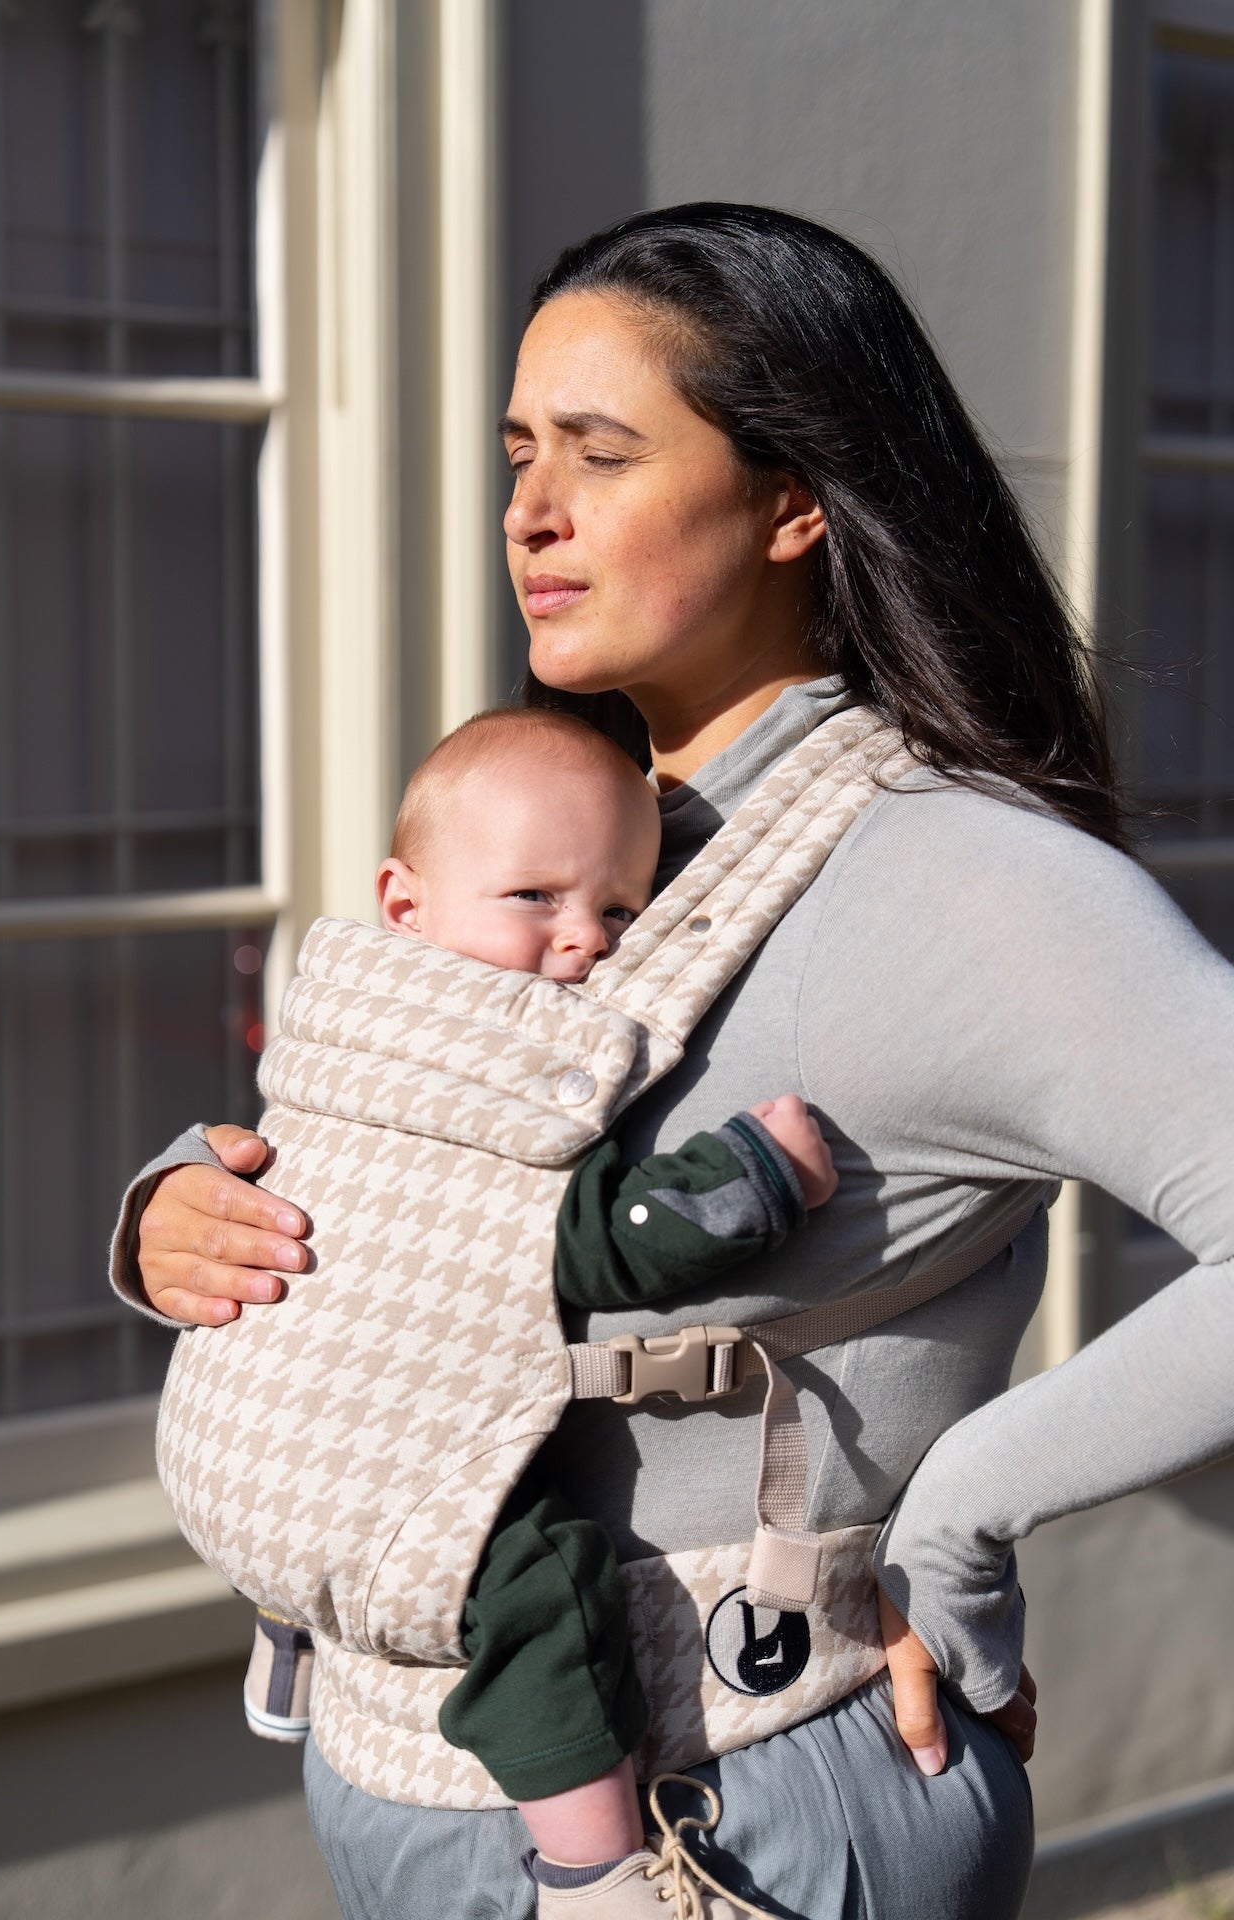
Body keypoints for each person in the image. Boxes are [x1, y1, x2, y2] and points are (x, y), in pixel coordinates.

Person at [114, 204, 1234, 1920]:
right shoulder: (580, 837)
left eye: (601, 453)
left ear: (798, 499)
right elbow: (440, 1170)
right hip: (412, 1767)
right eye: (517, 452)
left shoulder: (970, 877)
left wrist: (962, 1524)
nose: (528, 511)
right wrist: (186, 1213)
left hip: (740, 1809)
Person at [238, 703, 836, 1913]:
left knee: (324, 1511)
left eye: (619, 910)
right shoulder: (464, 1072)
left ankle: (292, 1639)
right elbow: (579, 1241)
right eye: (535, 900)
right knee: (540, 1589)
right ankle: (592, 1869)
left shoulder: (340, 1027)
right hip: (365, 1450)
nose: (585, 943)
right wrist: (754, 1181)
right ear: (402, 906)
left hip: (262, 1439)